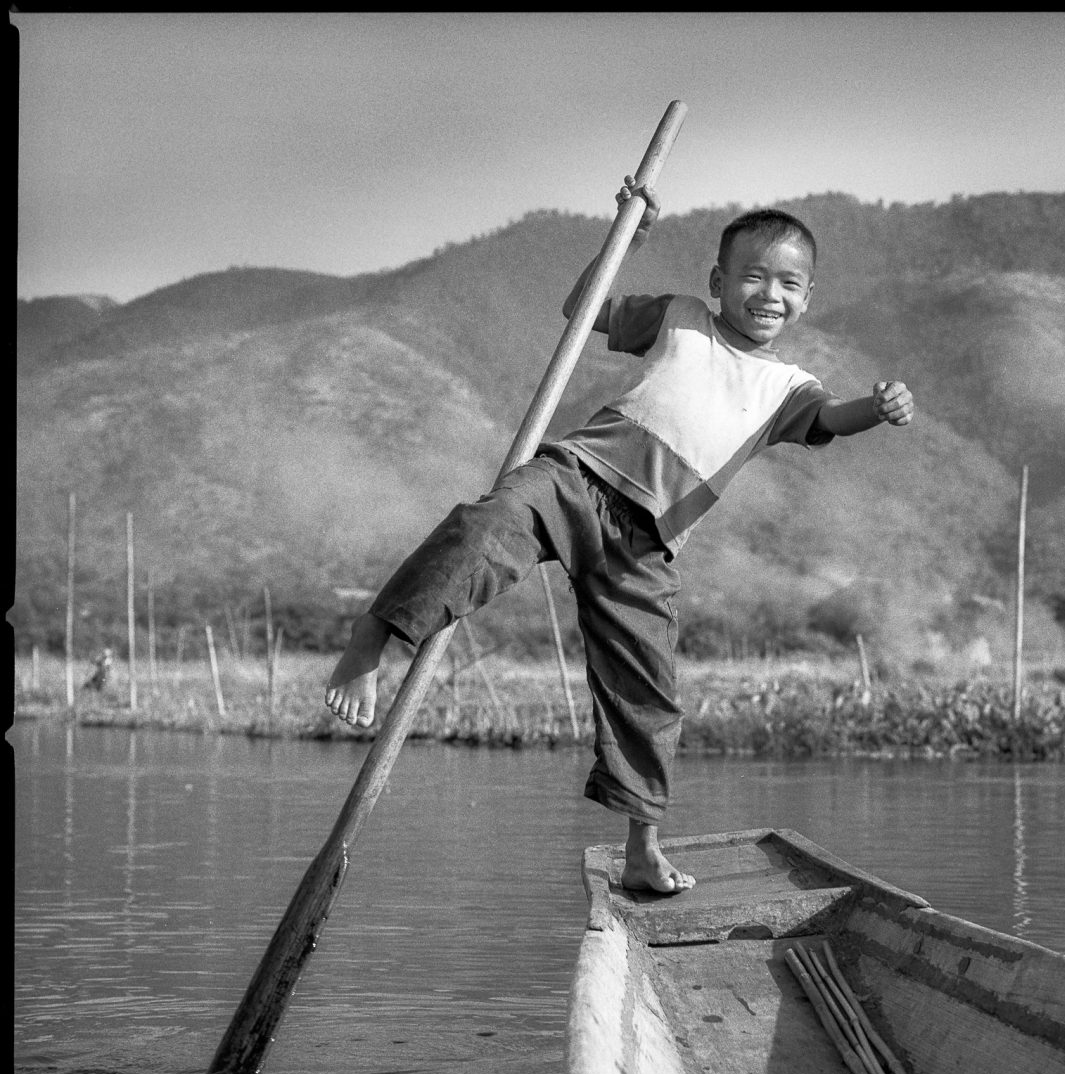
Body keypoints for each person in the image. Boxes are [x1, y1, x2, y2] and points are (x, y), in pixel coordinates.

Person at [325, 177, 913, 893]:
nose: (769, 294)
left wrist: (877, 409)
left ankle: (642, 845)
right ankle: (375, 637)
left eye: (789, 283)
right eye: (753, 276)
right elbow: (582, 311)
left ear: (808, 297)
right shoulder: (681, 316)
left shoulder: (788, 387)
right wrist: (625, 237)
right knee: (483, 528)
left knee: (650, 693)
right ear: (718, 282)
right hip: (578, 476)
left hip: (650, 541)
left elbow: (832, 420)